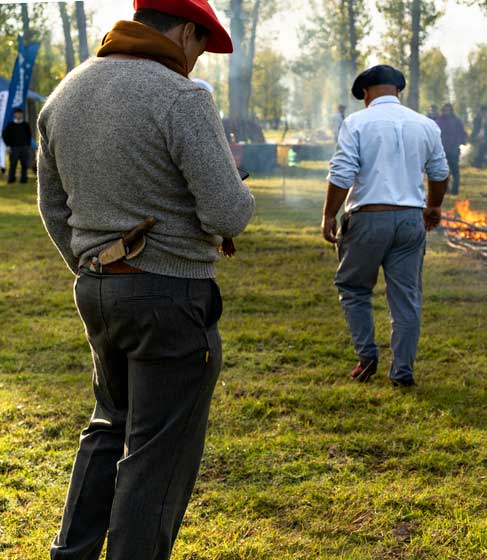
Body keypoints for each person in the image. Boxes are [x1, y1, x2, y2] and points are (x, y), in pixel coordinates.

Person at [38, 2, 255, 558]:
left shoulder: (66, 92)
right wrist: (239, 188)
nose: (198, 59)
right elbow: (227, 213)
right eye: (201, 46)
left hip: (97, 288)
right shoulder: (182, 97)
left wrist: (95, 266)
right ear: (185, 32)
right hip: (170, 294)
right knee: (157, 455)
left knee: (108, 428)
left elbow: (54, 208)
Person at [322, 64, 449, 388]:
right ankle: (403, 372)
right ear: (398, 90)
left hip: (368, 218)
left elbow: (342, 174)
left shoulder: (356, 123)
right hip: (410, 220)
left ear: (366, 93)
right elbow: (439, 173)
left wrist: (329, 215)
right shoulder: (426, 125)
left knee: (354, 289)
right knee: (406, 297)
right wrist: (434, 206)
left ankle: (367, 357)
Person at [435, 102, 467, 195]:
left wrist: (461, 141)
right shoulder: (439, 121)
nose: (447, 112)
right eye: (445, 110)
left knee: (455, 171)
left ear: (451, 111)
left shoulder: (457, 121)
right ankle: (445, 189)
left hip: (453, 149)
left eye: (448, 110)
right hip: (443, 149)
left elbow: (462, 132)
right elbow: (435, 133)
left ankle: (454, 190)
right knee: (444, 171)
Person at [2, 107, 32, 184]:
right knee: (13, 164)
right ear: (14, 115)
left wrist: (27, 145)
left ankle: (23, 179)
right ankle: (11, 179)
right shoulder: (10, 125)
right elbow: (5, 135)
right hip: (14, 148)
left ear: (22, 115)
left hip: (24, 147)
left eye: (20, 114)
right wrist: (8, 145)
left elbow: (29, 135)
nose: (19, 115)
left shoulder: (25, 125)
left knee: (24, 164)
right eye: (17, 114)